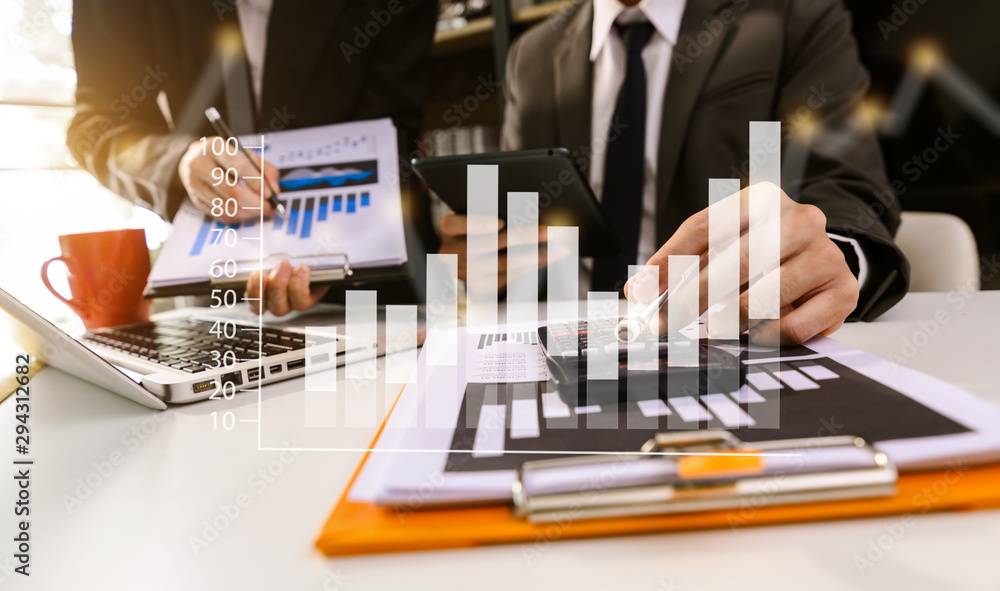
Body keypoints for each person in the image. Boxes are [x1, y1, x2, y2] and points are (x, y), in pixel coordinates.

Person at [439, 0, 910, 344]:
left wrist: (833, 257)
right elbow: (527, 222)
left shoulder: (796, 17)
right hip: (575, 338)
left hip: (726, 334)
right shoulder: (531, 55)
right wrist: (485, 261)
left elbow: (849, 183)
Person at [68, 0, 437, 315]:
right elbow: (97, 126)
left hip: (374, 289)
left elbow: (392, 124)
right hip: (220, 284)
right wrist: (178, 161)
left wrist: (331, 258)